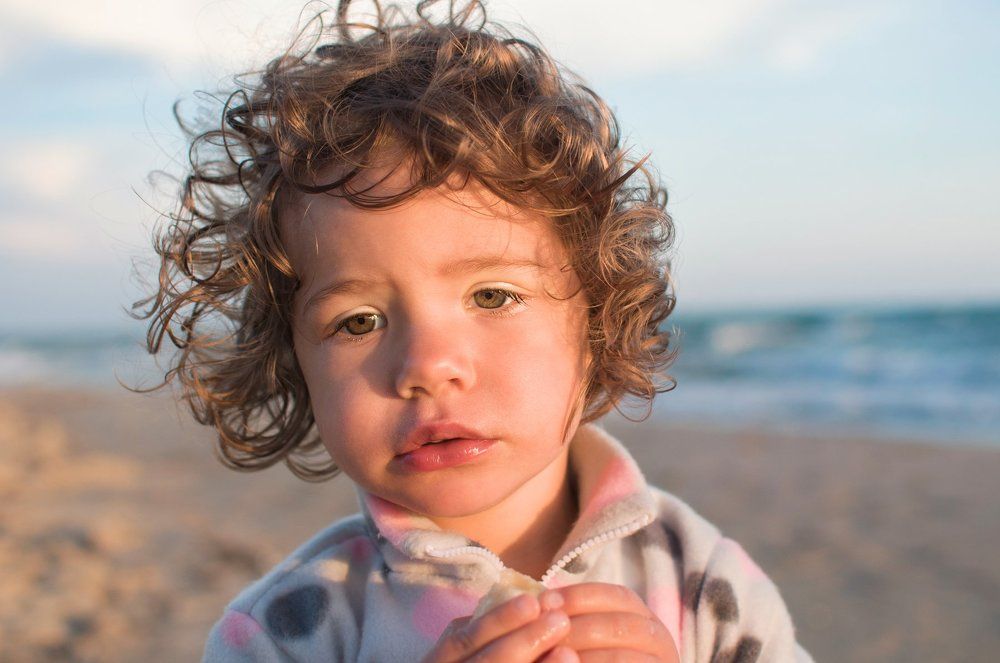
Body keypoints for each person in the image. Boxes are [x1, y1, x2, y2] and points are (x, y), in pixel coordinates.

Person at [137, 1, 812, 660]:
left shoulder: (705, 585)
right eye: (359, 321)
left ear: (596, 325)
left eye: (493, 295)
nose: (428, 365)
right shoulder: (288, 632)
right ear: (292, 362)